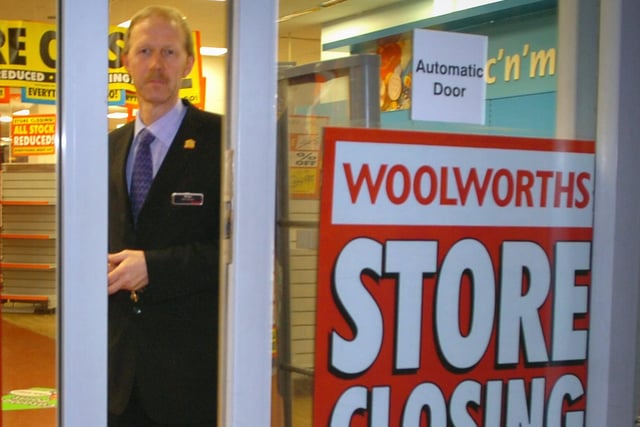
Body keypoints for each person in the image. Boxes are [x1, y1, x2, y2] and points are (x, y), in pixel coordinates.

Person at [107, 5, 221, 426]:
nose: (157, 64)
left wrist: (155, 267)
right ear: (126, 62)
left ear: (189, 62)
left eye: (170, 53)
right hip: (117, 377)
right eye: (145, 51)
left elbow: (239, 249)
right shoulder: (107, 149)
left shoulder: (222, 141)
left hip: (188, 376)